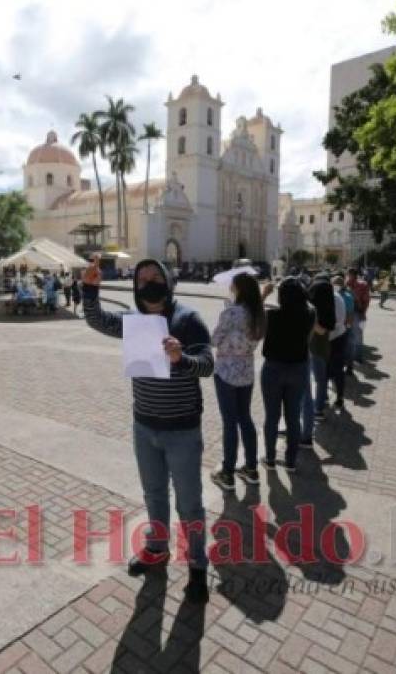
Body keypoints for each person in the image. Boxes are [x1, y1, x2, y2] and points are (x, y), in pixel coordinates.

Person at [81, 256, 213, 603]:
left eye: (156, 277)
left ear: (168, 281)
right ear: (136, 287)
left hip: (182, 430)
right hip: (144, 427)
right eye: (142, 280)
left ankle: (198, 565)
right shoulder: (135, 321)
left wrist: (181, 359)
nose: (149, 283)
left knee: (190, 503)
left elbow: (208, 365)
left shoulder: (187, 319)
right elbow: (97, 320)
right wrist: (90, 288)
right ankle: (157, 548)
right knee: (154, 494)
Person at [209, 272, 266, 491]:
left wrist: (226, 317)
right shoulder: (259, 314)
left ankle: (227, 473)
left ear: (239, 289)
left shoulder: (231, 313)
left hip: (226, 373)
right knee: (245, 418)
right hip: (247, 372)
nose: (231, 287)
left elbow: (214, 340)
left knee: (229, 422)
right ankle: (251, 469)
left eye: (233, 285)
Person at [260, 277, 315, 475]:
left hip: (273, 369)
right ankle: (291, 461)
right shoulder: (310, 314)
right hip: (298, 368)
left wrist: (264, 293)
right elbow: (308, 340)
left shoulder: (271, 315)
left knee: (272, 416)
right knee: (293, 417)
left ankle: (271, 458)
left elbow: (255, 321)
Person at [301, 273, 335, 444]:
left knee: (314, 382)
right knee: (321, 379)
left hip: (315, 346)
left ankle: (317, 410)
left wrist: (311, 319)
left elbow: (320, 330)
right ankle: (319, 407)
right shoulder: (330, 303)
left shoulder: (315, 309)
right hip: (323, 346)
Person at [328, 276, 350, 409]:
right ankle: (339, 396)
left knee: (333, 368)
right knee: (337, 369)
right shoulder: (338, 296)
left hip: (335, 337)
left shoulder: (336, 297)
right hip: (340, 335)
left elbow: (337, 320)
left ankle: (334, 396)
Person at [346, 267, 371, 372]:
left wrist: (363, 313)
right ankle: (354, 358)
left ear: (352, 275)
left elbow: (366, 300)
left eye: (349, 275)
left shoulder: (360, 284)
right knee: (355, 337)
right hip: (353, 313)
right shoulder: (348, 284)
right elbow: (367, 300)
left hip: (355, 313)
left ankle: (356, 358)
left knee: (355, 336)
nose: (348, 277)